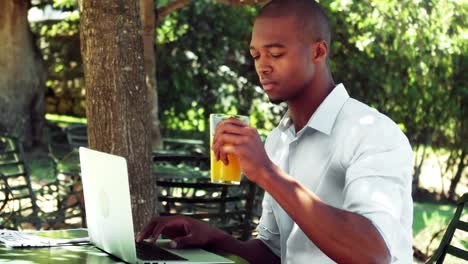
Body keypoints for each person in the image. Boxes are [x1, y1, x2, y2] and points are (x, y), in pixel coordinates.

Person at [136, 0, 414, 263]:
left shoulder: (374, 134)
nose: (262, 66)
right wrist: (214, 238)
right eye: (256, 55)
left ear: (318, 51)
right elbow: (274, 253)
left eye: (276, 53)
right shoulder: (280, 139)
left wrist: (267, 173)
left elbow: (374, 255)